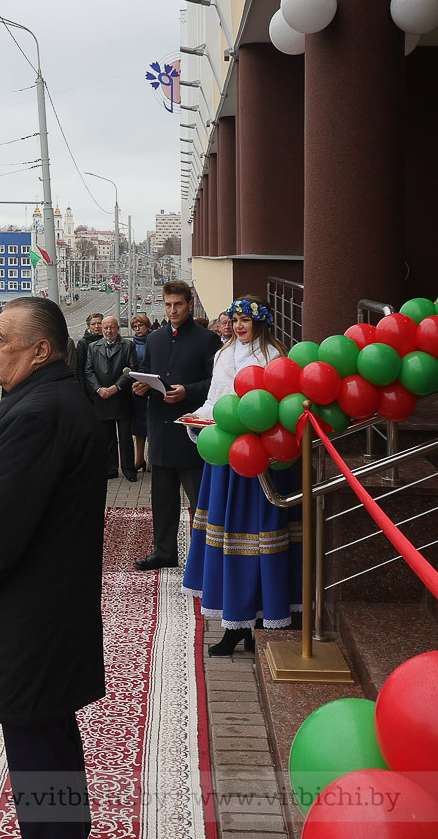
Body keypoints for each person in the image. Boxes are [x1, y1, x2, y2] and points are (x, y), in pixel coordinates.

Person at [0, 296, 106, 838]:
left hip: (33, 618)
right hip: (50, 614)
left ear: (40, 351)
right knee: (51, 746)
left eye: (1, 340)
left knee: (41, 760)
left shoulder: (40, 412)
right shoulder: (52, 397)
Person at [182, 297, 300, 656]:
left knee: (260, 539)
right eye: (234, 319)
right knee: (227, 541)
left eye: (245, 319)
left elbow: (274, 409)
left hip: (260, 461)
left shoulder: (275, 357)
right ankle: (236, 625)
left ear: (261, 322)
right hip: (226, 460)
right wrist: (196, 419)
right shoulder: (223, 354)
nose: (237, 325)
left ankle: (264, 616)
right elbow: (216, 401)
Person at [131, 281, 222, 571]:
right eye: (168, 305)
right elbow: (151, 373)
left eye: (178, 304)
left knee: (199, 501)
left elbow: (215, 383)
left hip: (191, 432)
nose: (172, 310)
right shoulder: (155, 338)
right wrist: (142, 386)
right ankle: (163, 552)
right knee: (162, 499)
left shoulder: (208, 339)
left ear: (190, 304)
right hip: (160, 427)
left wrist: (188, 391)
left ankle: (204, 558)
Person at [84, 315, 138, 481]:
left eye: (112, 327)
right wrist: (99, 389)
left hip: (121, 397)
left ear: (118, 328)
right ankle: (110, 469)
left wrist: (116, 387)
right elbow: (88, 371)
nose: (108, 331)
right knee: (106, 437)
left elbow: (131, 369)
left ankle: (129, 469)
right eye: (106, 327)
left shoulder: (128, 345)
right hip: (102, 398)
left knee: (125, 437)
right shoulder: (93, 347)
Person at [129, 314, 152, 471]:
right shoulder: (131, 345)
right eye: (135, 327)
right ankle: (139, 459)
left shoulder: (153, 341)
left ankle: (151, 460)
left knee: (151, 426)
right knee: (138, 427)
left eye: (140, 326)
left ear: (147, 326)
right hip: (136, 390)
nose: (138, 329)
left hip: (151, 388)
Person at [75, 312, 104, 394]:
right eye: (93, 324)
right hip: (90, 385)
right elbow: (80, 367)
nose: (97, 326)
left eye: (99, 323)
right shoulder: (83, 343)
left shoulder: (108, 339)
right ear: (89, 326)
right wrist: (82, 387)